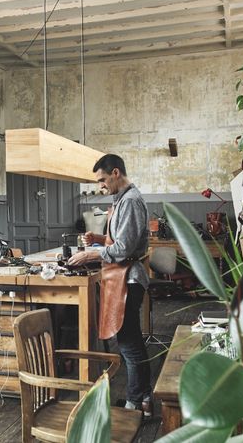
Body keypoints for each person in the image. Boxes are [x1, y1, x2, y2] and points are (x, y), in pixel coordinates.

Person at [67, 154, 152, 418]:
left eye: (103, 180)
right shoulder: (121, 200)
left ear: (116, 173)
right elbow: (118, 240)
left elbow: (124, 248)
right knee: (130, 340)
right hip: (122, 276)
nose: (101, 186)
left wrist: (89, 254)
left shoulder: (131, 201)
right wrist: (98, 238)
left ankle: (134, 404)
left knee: (128, 342)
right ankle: (144, 398)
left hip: (130, 277)